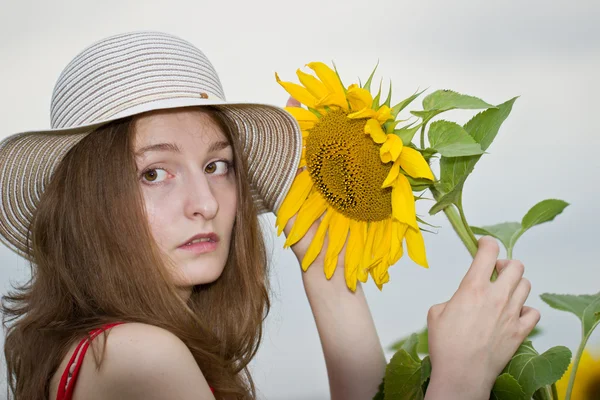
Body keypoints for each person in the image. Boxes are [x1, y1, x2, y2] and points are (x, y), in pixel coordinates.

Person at [0, 31, 540, 400]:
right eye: (153, 173)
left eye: (217, 164)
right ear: (87, 204)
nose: (206, 203)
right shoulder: (138, 356)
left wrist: (329, 277)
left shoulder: (102, 353)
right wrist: (460, 380)